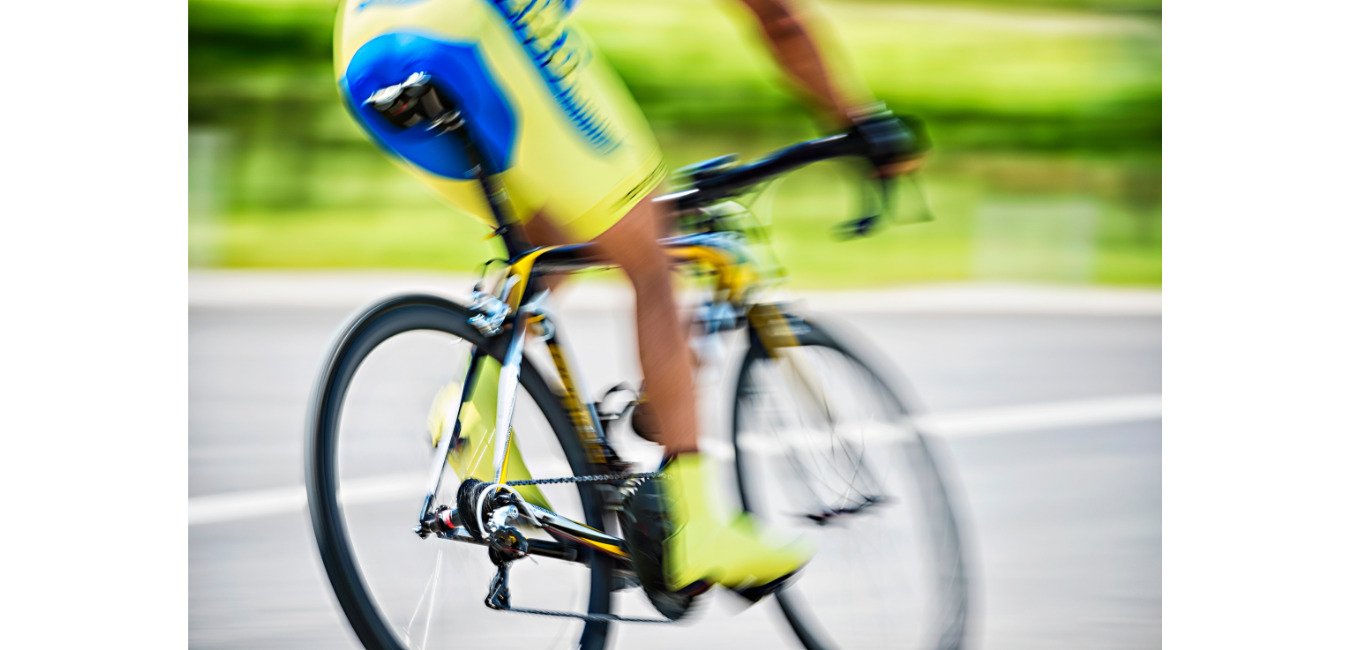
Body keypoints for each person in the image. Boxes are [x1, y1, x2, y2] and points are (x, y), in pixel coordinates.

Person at [335, 0, 920, 599]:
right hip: (473, 29)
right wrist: (862, 121)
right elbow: (777, 17)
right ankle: (696, 527)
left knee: (553, 232)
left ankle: (470, 412)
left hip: (361, 53)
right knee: (650, 254)